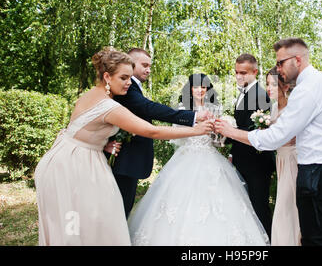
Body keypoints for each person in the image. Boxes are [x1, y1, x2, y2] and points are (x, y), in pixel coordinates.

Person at [34, 48, 213, 246]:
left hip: (63, 157)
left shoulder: (91, 95)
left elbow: (80, 126)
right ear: (107, 76)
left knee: (75, 225)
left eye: (130, 77)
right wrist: (197, 130)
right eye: (124, 78)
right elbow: (152, 131)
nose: (129, 82)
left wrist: (101, 142)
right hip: (73, 167)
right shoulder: (110, 107)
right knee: (78, 225)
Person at [215, 38, 322, 246]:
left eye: (281, 62)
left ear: (297, 60)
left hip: (319, 174)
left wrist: (231, 132)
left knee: (313, 239)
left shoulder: (306, 89)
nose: (278, 68)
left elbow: (275, 138)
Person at [127, 74, 270, 246]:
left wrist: (220, 133)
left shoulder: (214, 108)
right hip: (187, 157)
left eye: (204, 87)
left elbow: (218, 142)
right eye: (196, 87)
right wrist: (196, 129)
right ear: (190, 89)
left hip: (211, 157)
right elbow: (178, 139)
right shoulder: (181, 109)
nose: (200, 90)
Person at [104, 48, 210, 219]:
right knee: (118, 212)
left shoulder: (130, 87)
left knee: (122, 209)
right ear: (131, 64)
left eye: (150, 66)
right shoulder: (126, 88)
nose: (148, 70)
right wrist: (194, 117)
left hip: (128, 158)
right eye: (144, 65)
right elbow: (148, 108)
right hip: (124, 159)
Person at [228, 54, 275, 239]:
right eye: (236, 72)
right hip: (242, 160)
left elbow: (255, 130)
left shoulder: (262, 95)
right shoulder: (243, 93)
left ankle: (268, 242)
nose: (239, 77)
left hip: (257, 163)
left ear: (255, 72)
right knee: (246, 206)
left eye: (244, 73)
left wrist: (226, 132)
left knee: (259, 207)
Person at [266, 67, 301, 246]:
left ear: (285, 87)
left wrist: (269, 136)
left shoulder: (292, 108)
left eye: (273, 84)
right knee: (283, 203)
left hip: (291, 159)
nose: (268, 88)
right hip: (280, 159)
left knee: (287, 206)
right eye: (267, 84)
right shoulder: (273, 108)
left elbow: (291, 136)